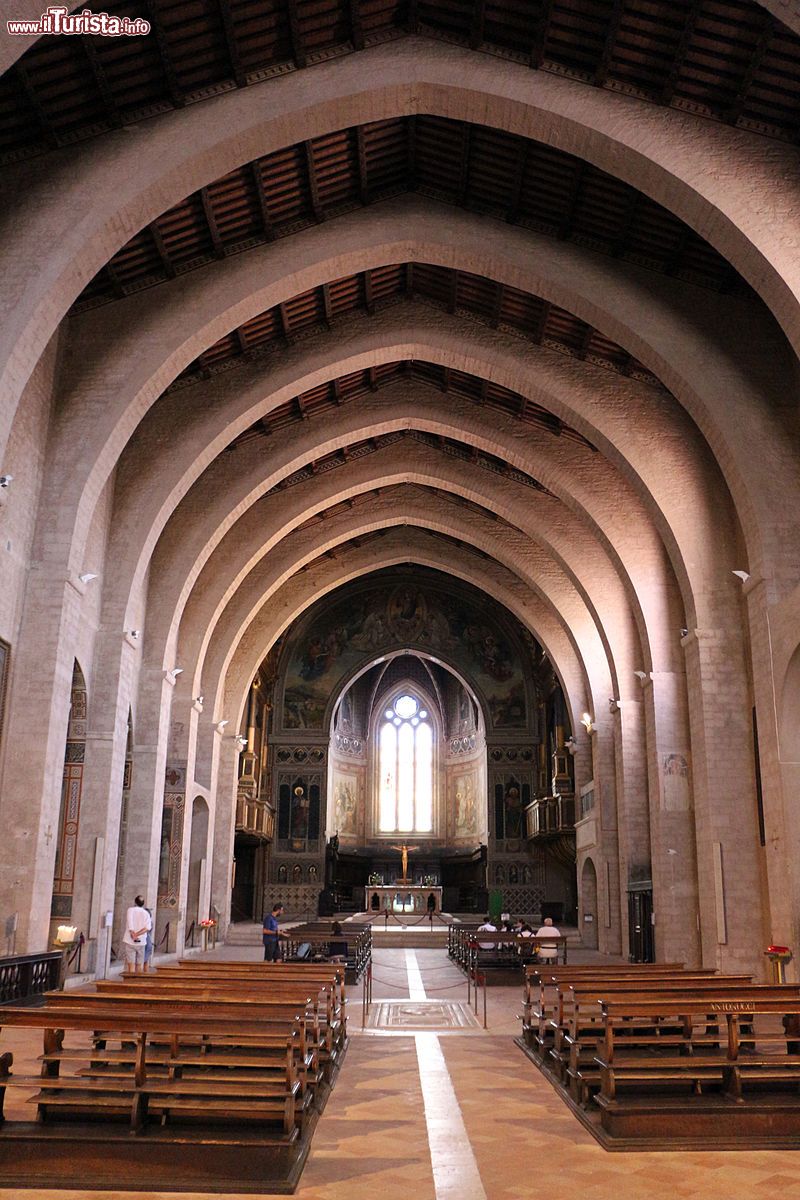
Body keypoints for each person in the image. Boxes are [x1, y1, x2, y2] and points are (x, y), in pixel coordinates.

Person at [122, 895, 151, 972]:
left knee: (131, 965)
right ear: (143, 904)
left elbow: (130, 922)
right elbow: (147, 928)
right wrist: (137, 935)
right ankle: (137, 982)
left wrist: (133, 934)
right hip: (141, 942)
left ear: (135, 902)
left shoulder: (130, 910)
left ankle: (131, 982)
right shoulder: (146, 913)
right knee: (139, 965)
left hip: (130, 940)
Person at [142, 907, 154, 972]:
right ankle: (145, 974)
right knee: (145, 960)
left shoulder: (148, 922)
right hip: (148, 942)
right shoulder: (150, 922)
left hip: (145, 941)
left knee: (142, 960)